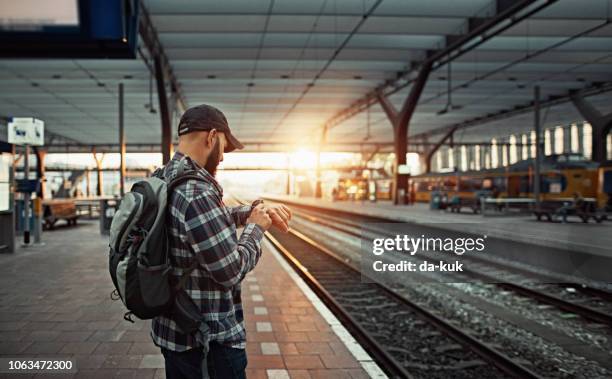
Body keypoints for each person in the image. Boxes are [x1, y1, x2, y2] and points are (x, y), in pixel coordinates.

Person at [151, 104, 292, 379]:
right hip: (208, 342)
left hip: (175, 330)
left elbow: (196, 224)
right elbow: (230, 271)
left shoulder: (167, 176)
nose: (223, 158)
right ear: (211, 137)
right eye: (224, 148)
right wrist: (255, 229)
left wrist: (248, 211)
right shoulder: (196, 191)